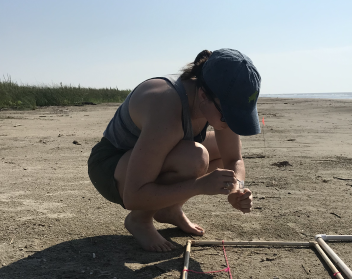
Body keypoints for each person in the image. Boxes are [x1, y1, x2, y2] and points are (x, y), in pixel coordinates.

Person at [88, 48, 261, 252]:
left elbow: (234, 159)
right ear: (203, 95)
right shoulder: (166, 106)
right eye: (227, 116)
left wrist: (237, 189)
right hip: (111, 167)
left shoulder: (212, 96)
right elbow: (133, 195)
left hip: (149, 158)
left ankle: (170, 209)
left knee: (212, 151)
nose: (230, 123)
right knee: (195, 157)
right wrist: (199, 186)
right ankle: (140, 220)